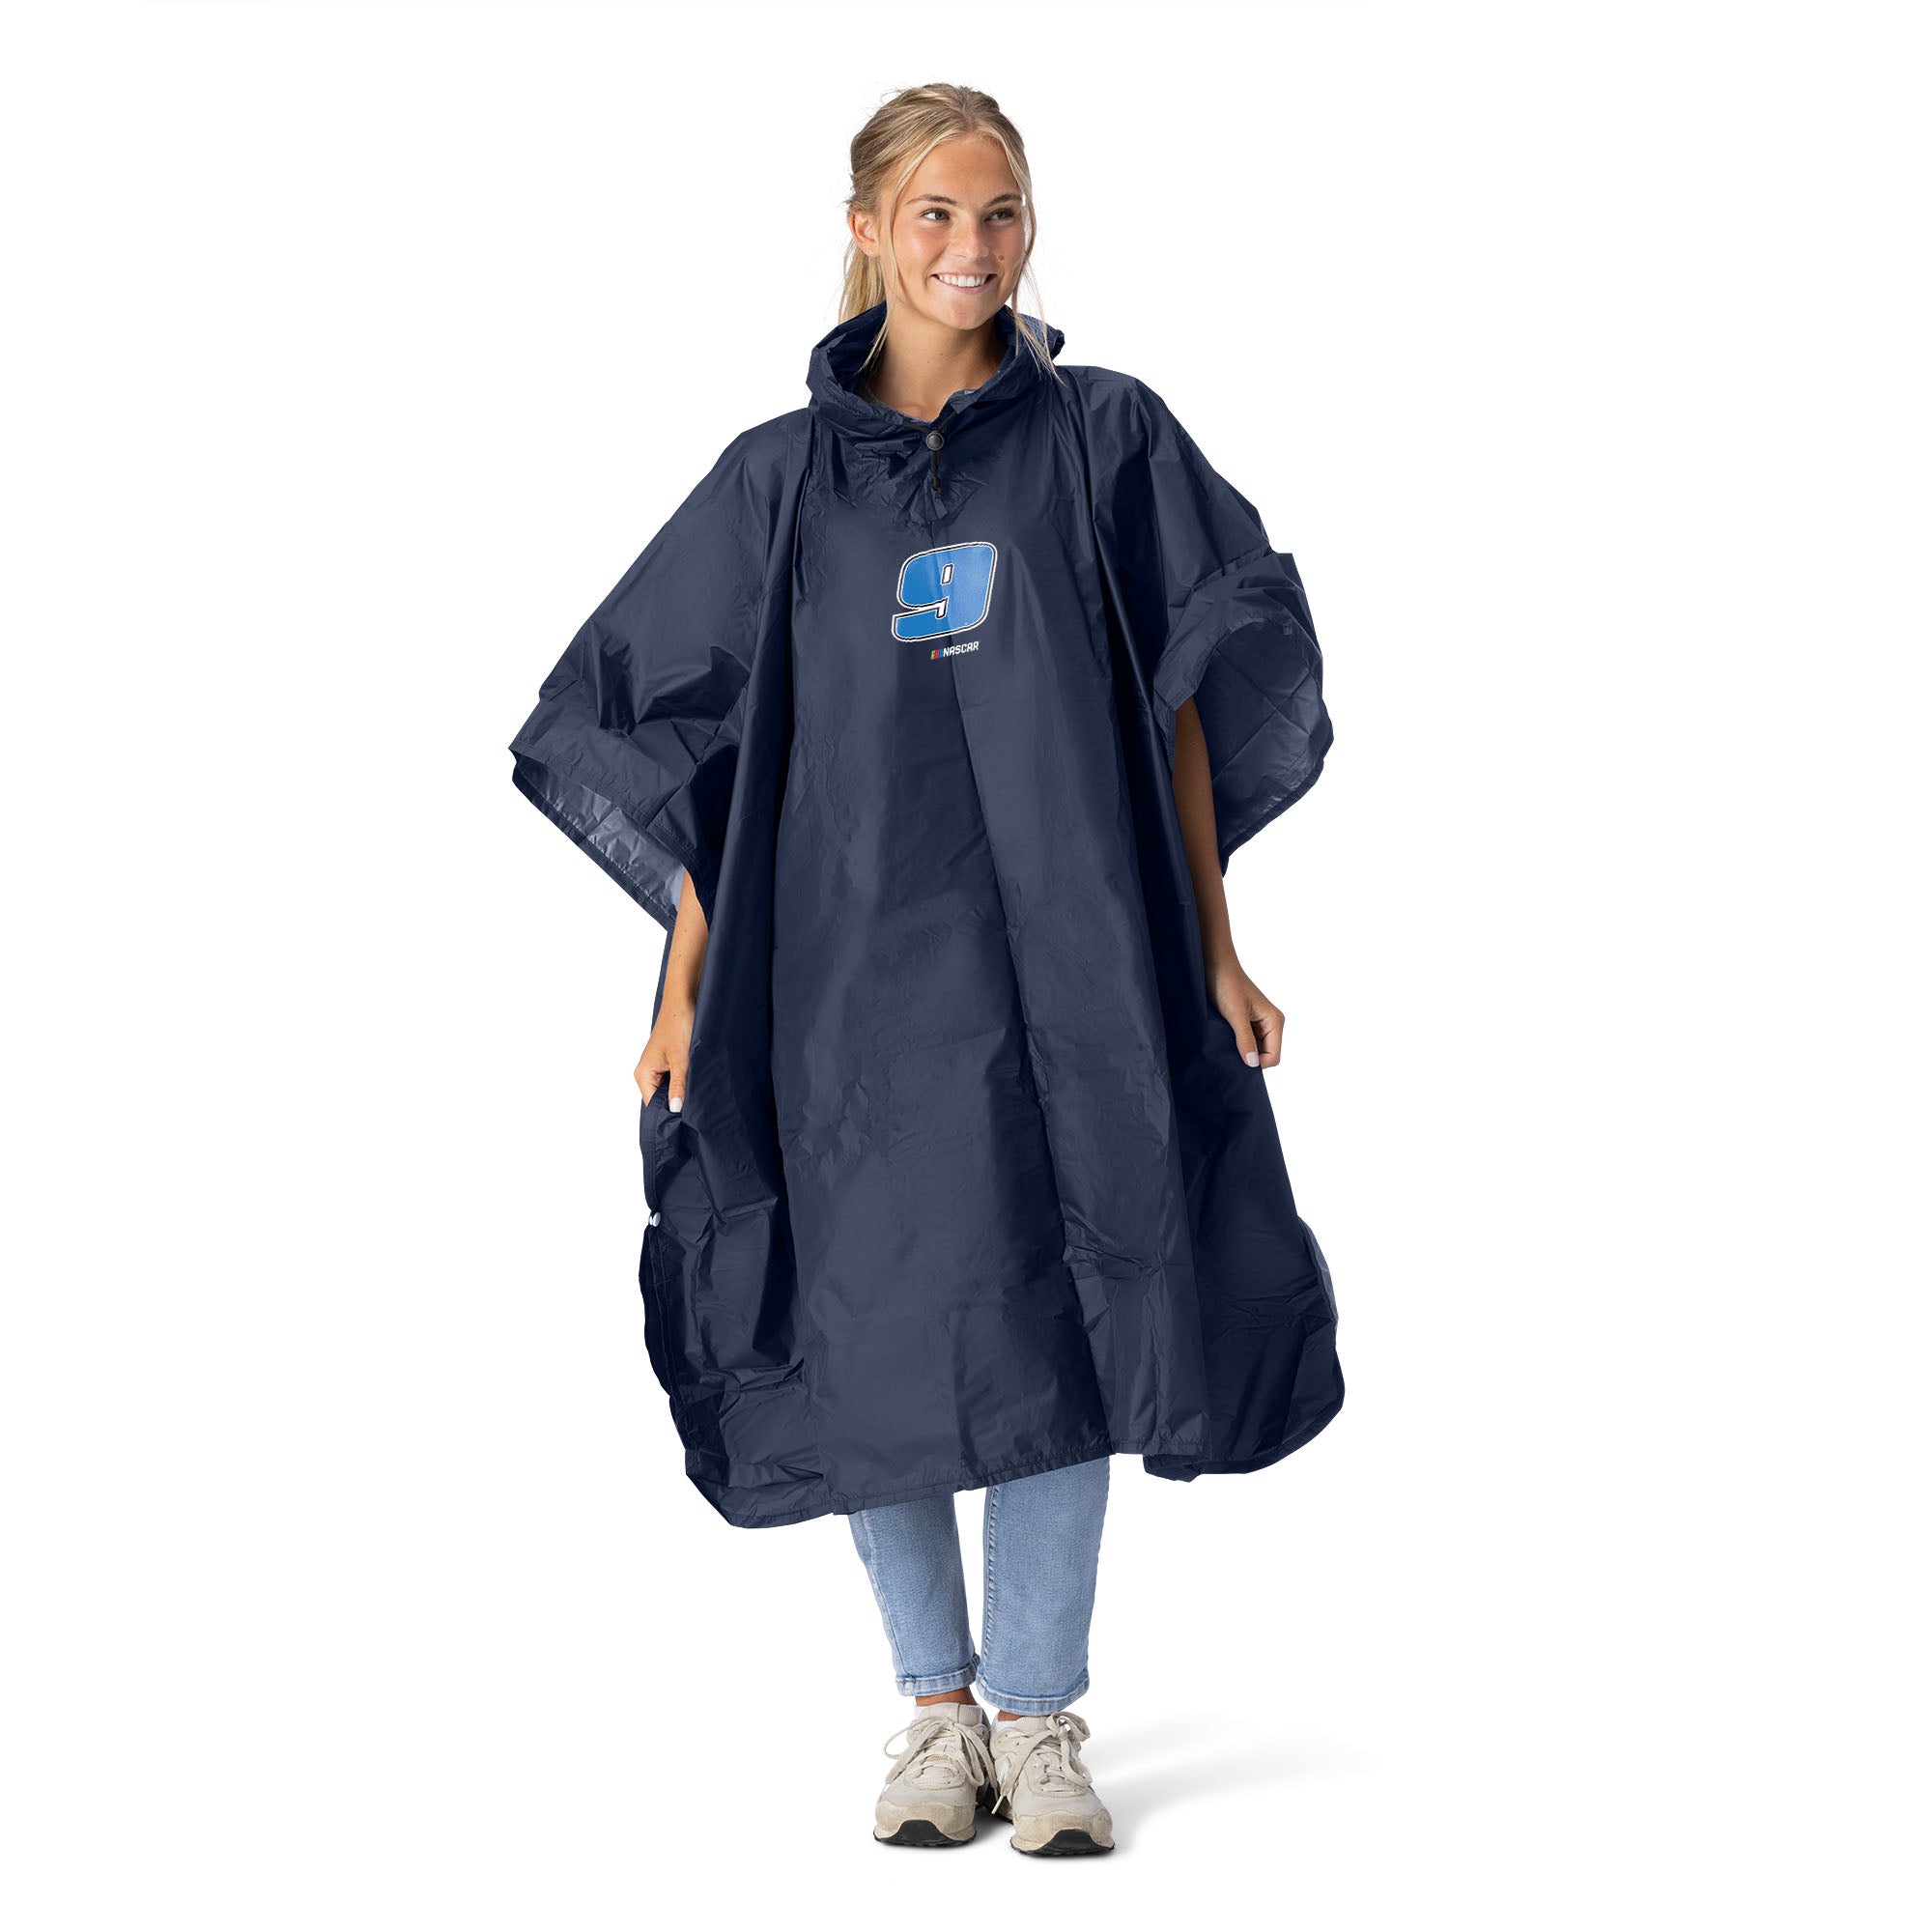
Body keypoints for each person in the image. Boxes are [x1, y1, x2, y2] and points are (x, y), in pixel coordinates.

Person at [507, 83, 1339, 1856]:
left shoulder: (1106, 438)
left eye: (1004, 212)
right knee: (876, 1324)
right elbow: (703, 751)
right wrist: (683, 988)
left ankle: (1038, 1721)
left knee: (1073, 1296)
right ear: (871, 229)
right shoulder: (782, 481)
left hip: (1083, 958)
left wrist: (1215, 943)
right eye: (940, 214)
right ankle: (935, 1717)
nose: (975, 248)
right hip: (855, 981)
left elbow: (1189, 695)